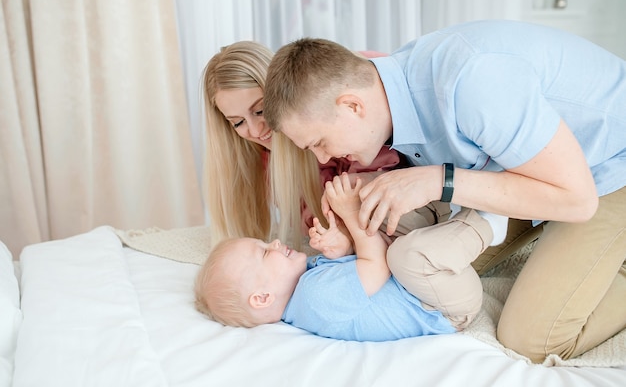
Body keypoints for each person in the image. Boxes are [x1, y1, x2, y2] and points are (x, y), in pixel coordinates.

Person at [261, 20, 626, 362]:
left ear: (352, 106)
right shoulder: (387, 84)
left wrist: (439, 181)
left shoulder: (473, 82)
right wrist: (379, 186)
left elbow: (578, 200)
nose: (324, 157)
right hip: (526, 172)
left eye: (319, 142)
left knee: (530, 340)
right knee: (413, 268)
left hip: (603, 172)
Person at [195, 173, 500, 341]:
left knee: (384, 221)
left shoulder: (306, 282)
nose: (274, 242)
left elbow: (357, 263)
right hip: (442, 308)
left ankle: (446, 210)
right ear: (262, 297)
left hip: (424, 289)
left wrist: (341, 245)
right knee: (406, 255)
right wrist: (350, 215)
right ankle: (488, 221)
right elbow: (376, 266)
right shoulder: (314, 299)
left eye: (265, 242)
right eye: (264, 252)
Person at [201, 41, 418, 253]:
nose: (256, 131)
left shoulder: (341, 122)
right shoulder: (265, 161)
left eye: (260, 111)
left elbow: (370, 204)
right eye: (237, 122)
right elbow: (316, 222)